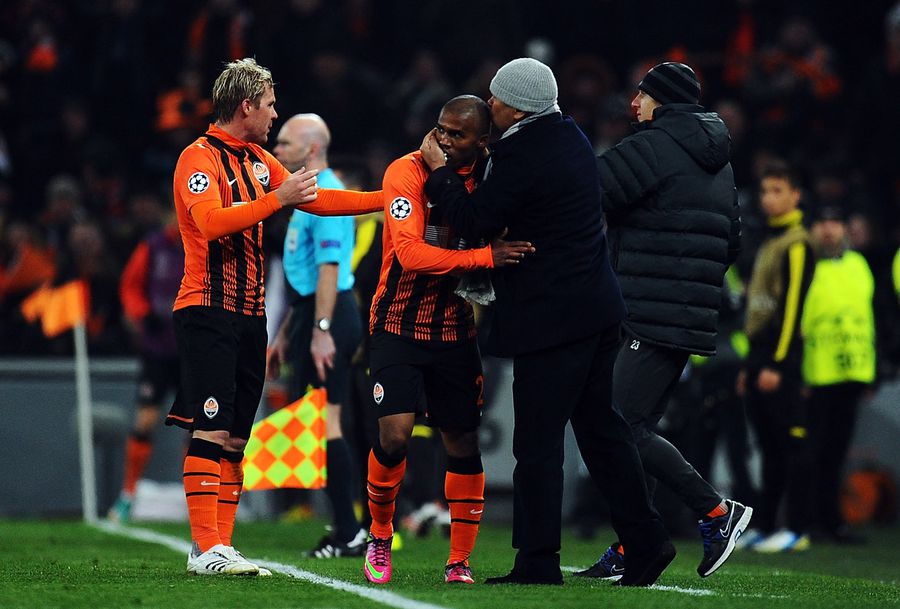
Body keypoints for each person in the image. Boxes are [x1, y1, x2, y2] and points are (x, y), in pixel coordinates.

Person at [420, 58, 674, 587]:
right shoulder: (567, 136)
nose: (489, 104)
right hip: (595, 309)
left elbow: (472, 219)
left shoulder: (526, 152)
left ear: (517, 105)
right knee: (603, 433)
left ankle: (538, 561)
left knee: (537, 443)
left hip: (555, 318)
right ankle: (647, 542)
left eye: (496, 97)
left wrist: (439, 172)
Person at [164, 57, 380, 576]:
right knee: (210, 429)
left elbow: (320, 199)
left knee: (237, 436)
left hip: (250, 315)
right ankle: (205, 547)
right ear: (246, 107)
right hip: (207, 308)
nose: (274, 114)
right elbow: (211, 223)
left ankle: (219, 544)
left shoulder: (260, 162)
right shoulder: (197, 158)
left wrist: (388, 197)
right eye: (269, 105)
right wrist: (276, 199)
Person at [576, 61, 751, 581]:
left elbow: (587, 195)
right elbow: (732, 242)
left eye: (642, 95)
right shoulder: (719, 162)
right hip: (686, 314)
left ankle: (718, 511)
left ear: (664, 101)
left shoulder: (652, 147)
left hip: (647, 309)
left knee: (617, 423)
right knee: (633, 426)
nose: (633, 104)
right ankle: (636, 542)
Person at [362, 95, 535, 586]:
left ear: (482, 142)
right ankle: (379, 534)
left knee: (461, 441)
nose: (442, 138)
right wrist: (485, 257)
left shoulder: (492, 178)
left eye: (456, 134)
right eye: (440, 128)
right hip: (396, 323)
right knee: (394, 436)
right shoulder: (406, 172)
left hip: (455, 330)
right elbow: (412, 256)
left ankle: (458, 561)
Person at [267, 114, 366, 558]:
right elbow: (307, 275)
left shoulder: (327, 195)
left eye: (284, 143)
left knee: (326, 422)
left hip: (331, 314)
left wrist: (321, 331)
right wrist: (289, 330)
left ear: (310, 149)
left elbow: (329, 269)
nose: (276, 149)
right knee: (318, 423)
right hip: (314, 312)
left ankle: (349, 531)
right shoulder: (308, 193)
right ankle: (345, 526)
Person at [736, 161, 816, 553]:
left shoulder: (798, 242)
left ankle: (797, 527)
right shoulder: (768, 240)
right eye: (765, 191)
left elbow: (791, 310)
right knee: (768, 447)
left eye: (778, 190)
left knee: (789, 446)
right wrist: (751, 365)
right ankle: (767, 525)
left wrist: (776, 365)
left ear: (796, 195)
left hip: (780, 358)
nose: (769, 198)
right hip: (759, 355)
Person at [802, 204, 875, 543]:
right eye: (822, 222)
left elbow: (869, 318)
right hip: (814, 375)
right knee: (811, 450)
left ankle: (831, 521)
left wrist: (872, 371)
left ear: (846, 228)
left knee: (835, 451)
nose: (829, 229)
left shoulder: (860, 265)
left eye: (835, 222)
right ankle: (808, 520)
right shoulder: (805, 266)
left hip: (852, 373)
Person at [108, 211, 184, 523]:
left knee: (199, 427)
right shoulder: (152, 247)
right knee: (145, 421)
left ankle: (196, 498)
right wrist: (142, 314)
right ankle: (128, 494)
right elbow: (129, 286)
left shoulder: (204, 243)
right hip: (157, 350)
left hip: (192, 349)